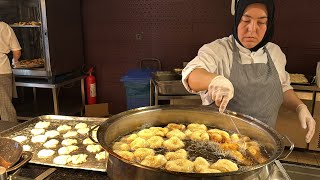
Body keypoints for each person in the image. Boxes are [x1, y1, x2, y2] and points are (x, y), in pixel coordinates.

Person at [182, 0, 316, 143]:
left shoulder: (275, 52)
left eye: (261, 22)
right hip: (220, 144)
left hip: (263, 144)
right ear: (236, 20)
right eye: (245, 20)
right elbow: (191, 74)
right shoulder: (219, 50)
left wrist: (300, 107)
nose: (252, 29)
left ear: (269, 25)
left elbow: (282, 87)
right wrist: (214, 80)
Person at [0, 21, 21, 122]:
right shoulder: (3, 26)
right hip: (2, 70)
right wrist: (15, 61)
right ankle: (11, 133)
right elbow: (16, 51)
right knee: (6, 108)